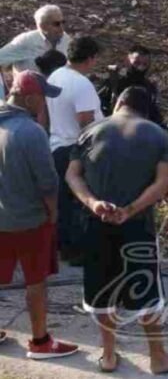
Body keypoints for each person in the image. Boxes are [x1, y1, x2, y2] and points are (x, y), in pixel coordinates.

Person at [66, 86, 168, 374]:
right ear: (145, 109)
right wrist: (130, 209)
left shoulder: (90, 130)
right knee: (146, 292)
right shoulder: (157, 135)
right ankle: (158, 358)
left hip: (95, 223)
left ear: (119, 102)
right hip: (137, 226)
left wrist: (94, 203)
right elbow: (162, 183)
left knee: (101, 291)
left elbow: (72, 174)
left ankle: (109, 356)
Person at [0, 71, 79, 360]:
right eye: (43, 97)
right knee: (36, 281)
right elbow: (47, 182)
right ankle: (40, 341)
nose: (44, 103)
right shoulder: (31, 132)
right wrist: (54, 212)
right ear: (30, 98)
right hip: (30, 220)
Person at [47, 36, 104, 265]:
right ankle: (76, 251)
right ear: (90, 58)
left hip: (57, 143)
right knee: (80, 201)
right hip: (75, 147)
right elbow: (86, 121)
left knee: (63, 201)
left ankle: (63, 247)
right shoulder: (81, 84)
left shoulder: (55, 76)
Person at [96, 45, 165, 128]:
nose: (140, 67)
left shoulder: (149, 87)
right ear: (127, 61)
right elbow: (97, 105)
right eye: (137, 63)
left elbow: (154, 113)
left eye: (144, 64)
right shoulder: (115, 81)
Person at [0, 5, 71, 78]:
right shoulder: (26, 41)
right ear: (42, 26)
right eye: (56, 24)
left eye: (63, 22)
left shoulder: (66, 39)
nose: (62, 27)